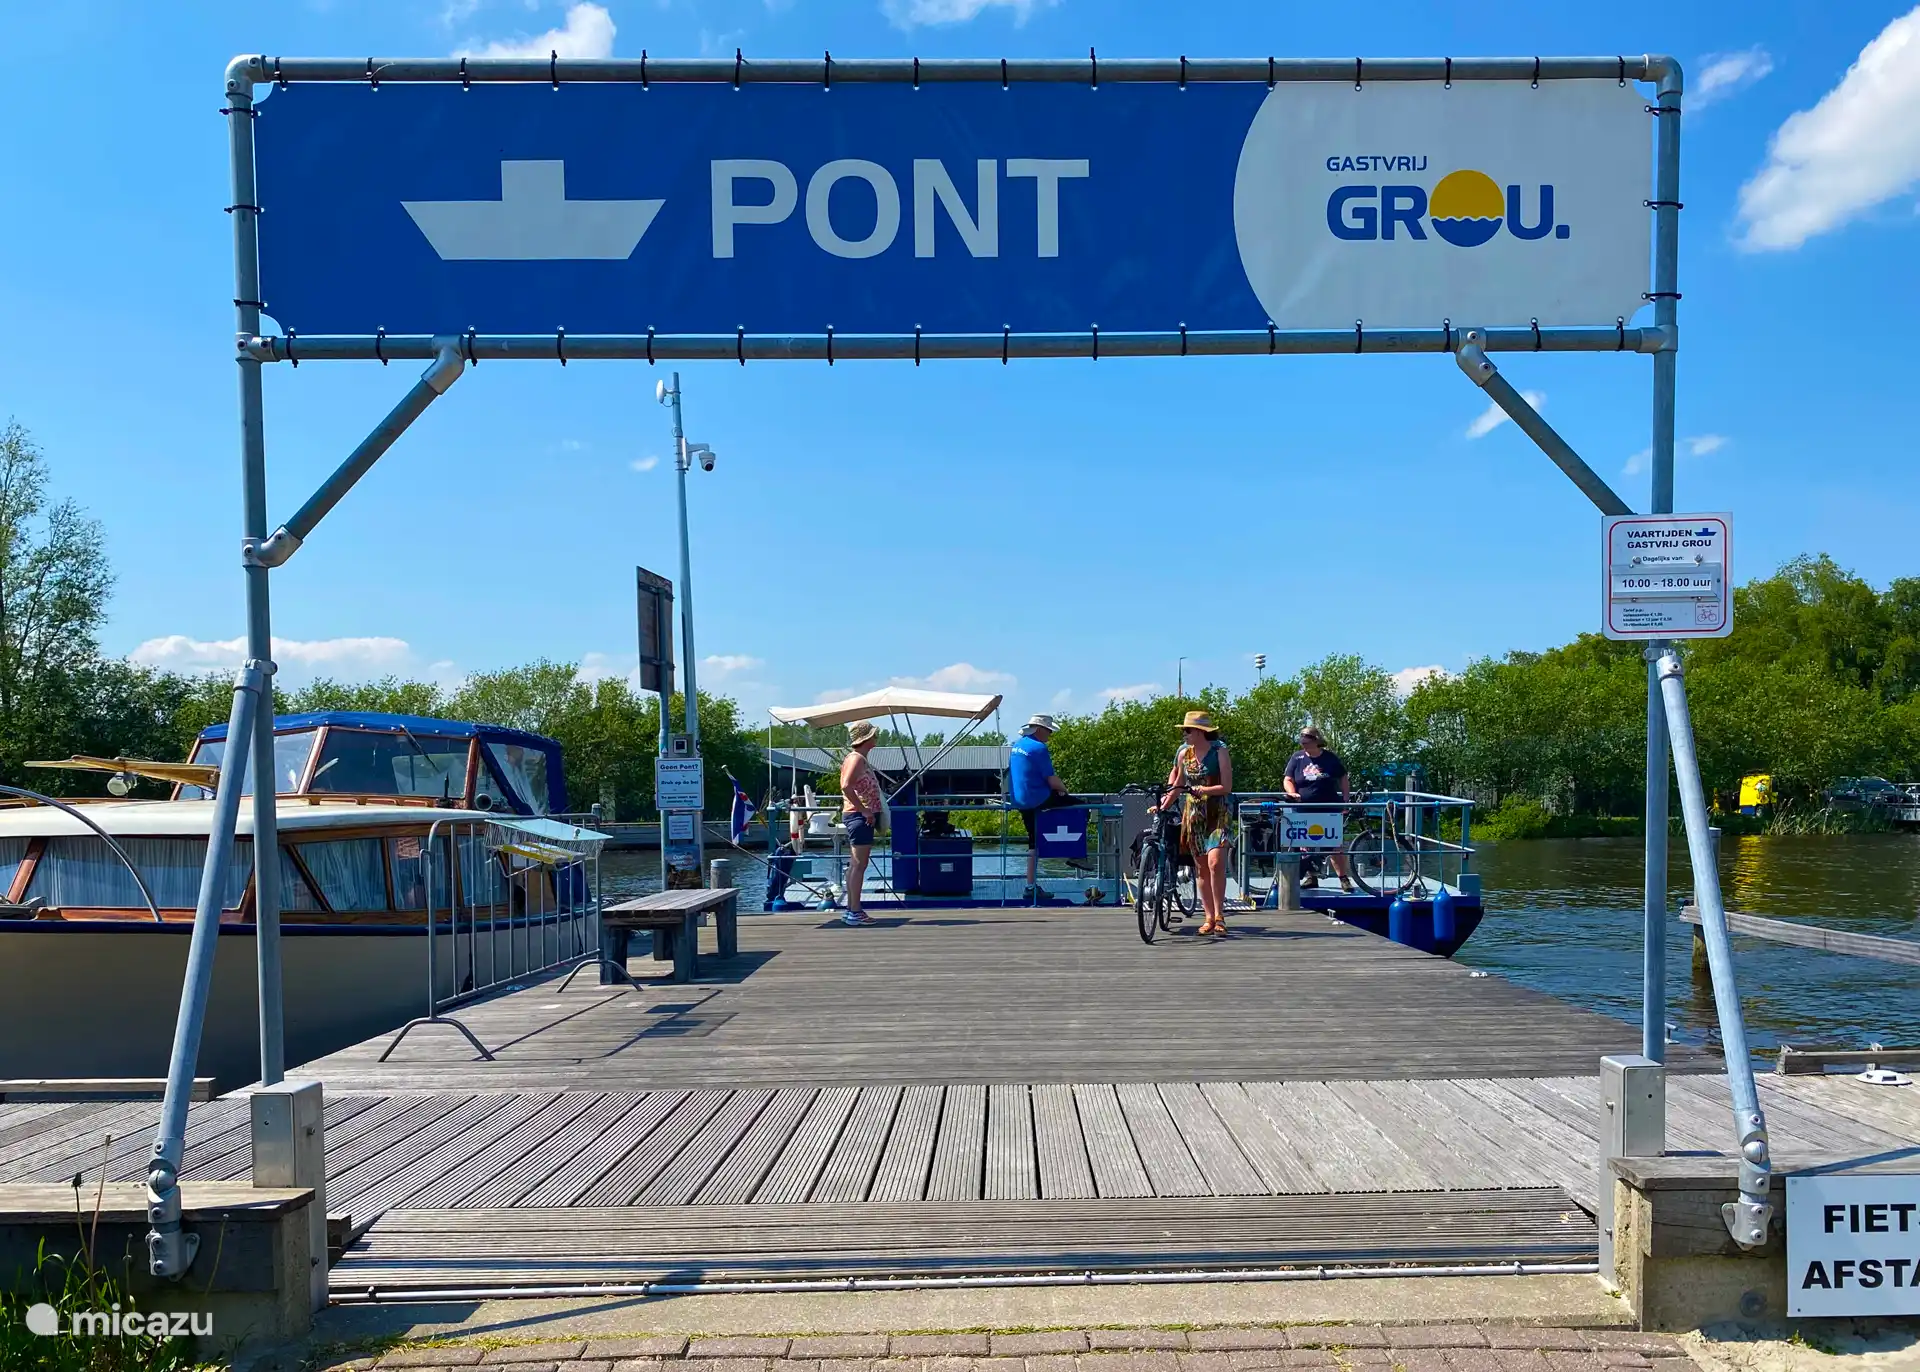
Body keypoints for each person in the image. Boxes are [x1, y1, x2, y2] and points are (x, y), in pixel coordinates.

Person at [1162, 710, 1234, 936]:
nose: (1184, 734)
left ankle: (1220, 916)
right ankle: (1209, 917)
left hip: (1218, 810)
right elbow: (1178, 785)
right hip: (1194, 813)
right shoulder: (1185, 754)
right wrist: (1163, 805)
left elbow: (1227, 787)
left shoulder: (1219, 751)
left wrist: (1204, 789)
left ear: (1200, 732)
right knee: (1201, 867)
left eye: (1187, 730)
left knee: (1216, 862)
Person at [1009, 713, 1073, 904]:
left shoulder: (1017, 745)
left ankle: (1030, 886)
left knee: (1033, 843)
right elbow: (1052, 780)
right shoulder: (1039, 748)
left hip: (1020, 800)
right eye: (1049, 731)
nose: (1050, 735)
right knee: (1079, 805)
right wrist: (1065, 790)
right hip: (1037, 797)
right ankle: (1076, 855)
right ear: (1039, 730)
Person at [1284, 725, 1352, 892]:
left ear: (1316, 741)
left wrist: (1345, 798)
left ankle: (1343, 878)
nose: (1304, 744)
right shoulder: (1297, 757)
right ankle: (1311, 877)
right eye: (1302, 742)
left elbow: (1343, 777)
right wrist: (1292, 793)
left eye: (1307, 741)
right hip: (1304, 807)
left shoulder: (1329, 758)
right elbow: (1288, 779)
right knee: (1305, 843)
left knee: (1334, 843)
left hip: (1328, 806)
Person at [839, 721, 885, 926]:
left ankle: (852, 909)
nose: (876, 738)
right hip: (859, 817)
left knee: (856, 865)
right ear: (867, 739)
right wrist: (864, 809)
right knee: (859, 865)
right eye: (874, 735)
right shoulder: (856, 758)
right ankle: (855, 911)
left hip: (859, 816)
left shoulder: (858, 758)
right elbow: (846, 786)